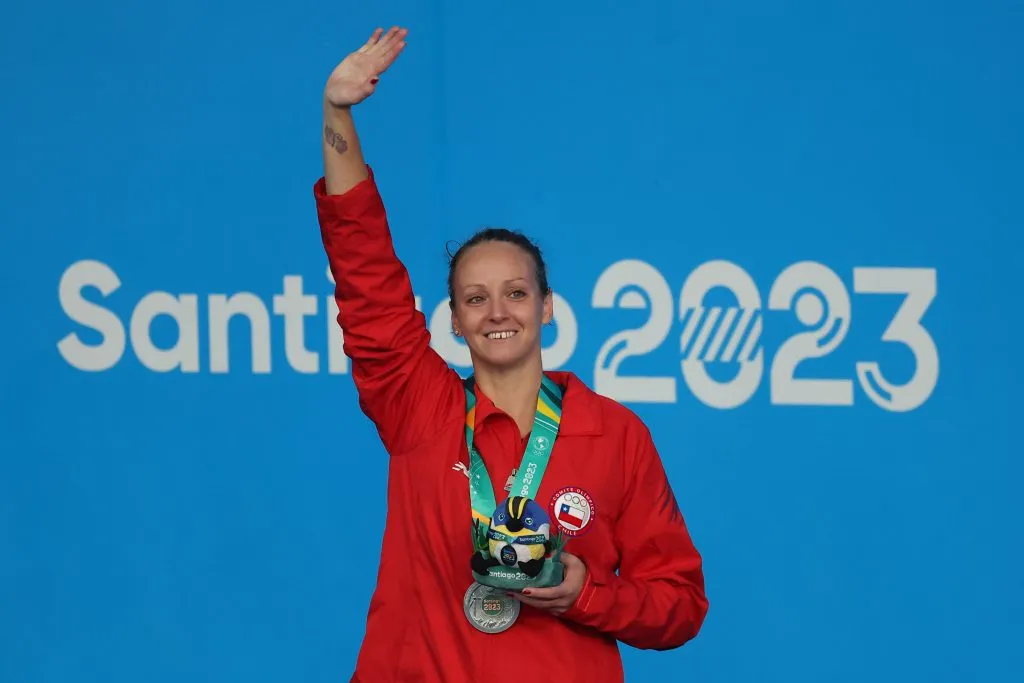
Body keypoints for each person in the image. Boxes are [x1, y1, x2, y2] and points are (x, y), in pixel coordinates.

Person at [313, 26, 708, 683]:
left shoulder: (616, 435)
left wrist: (587, 592)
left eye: (516, 292)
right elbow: (365, 273)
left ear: (547, 306)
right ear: (456, 322)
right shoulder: (420, 408)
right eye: (476, 298)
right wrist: (337, 115)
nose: (497, 310)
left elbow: (682, 604)